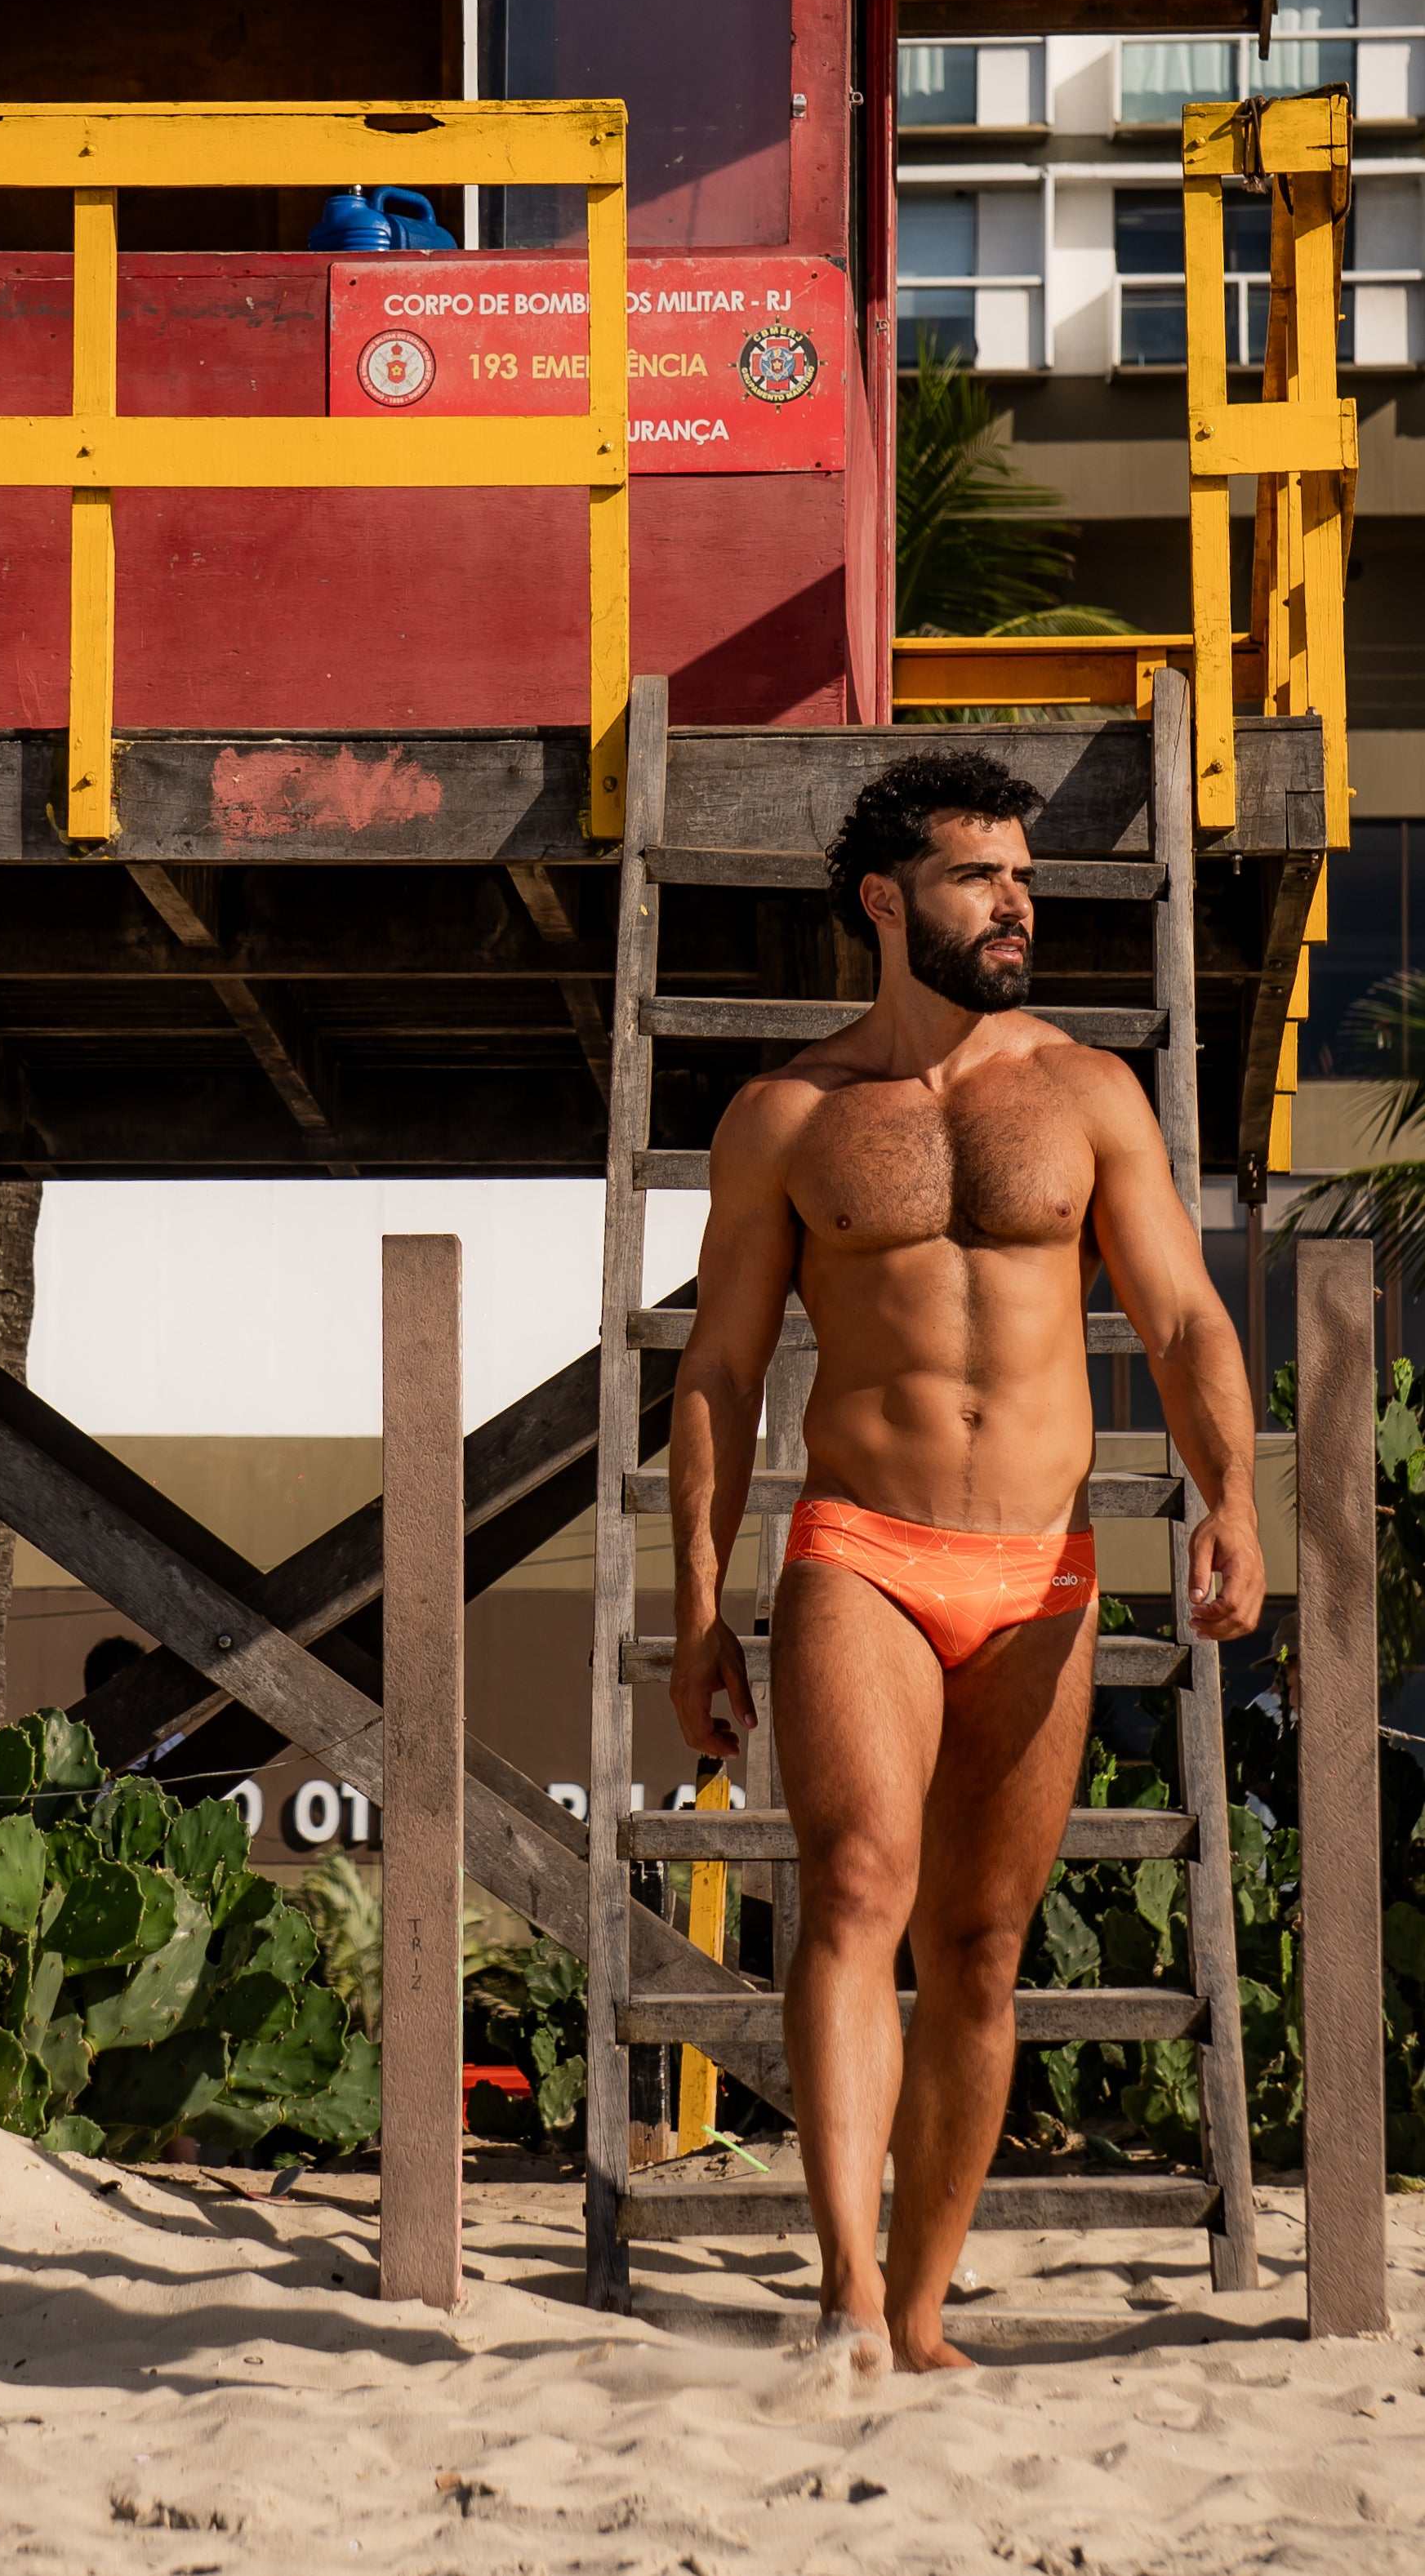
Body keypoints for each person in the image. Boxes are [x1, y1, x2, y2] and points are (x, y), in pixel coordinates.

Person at [666, 749, 1263, 2374]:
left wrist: (1231, 1497)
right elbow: (716, 1373)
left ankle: (921, 2312)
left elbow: (1182, 1314)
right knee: (857, 1888)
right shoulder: (787, 1117)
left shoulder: (1083, 1094)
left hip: (1039, 1570)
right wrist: (697, 1604)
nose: (1014, 902)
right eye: (976, 876)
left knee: (980, 1947)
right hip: (858, 1548)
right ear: (882, 900)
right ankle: (844, 2292)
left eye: (1022, 876)